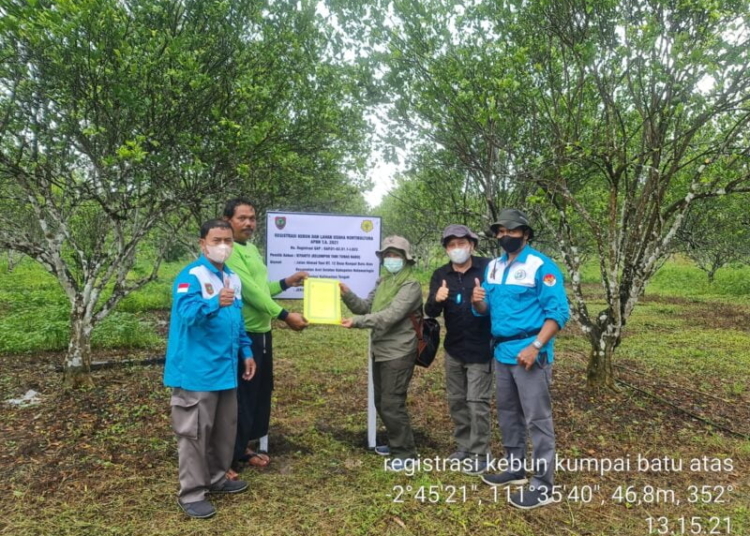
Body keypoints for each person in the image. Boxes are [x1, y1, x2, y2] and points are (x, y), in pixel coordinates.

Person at [471, 209, 569, 510]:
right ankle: (515, 468)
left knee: (537, 418)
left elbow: (559, 313)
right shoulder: (494, 267)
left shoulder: (542, 266)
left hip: (530, 354)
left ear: (525, 233)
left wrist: (536, 346)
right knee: (509, 414)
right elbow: (489, 309)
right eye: (500, 231)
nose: (505, 236)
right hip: (502, 352)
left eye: (511, 231)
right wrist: (479, 302)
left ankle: (543, 484)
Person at [164, 219, 256, 519]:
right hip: (195, 371)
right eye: (217, 240)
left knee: (222, 430)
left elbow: (237, 322)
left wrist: (246, 351)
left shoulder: (232, 278)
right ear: (202, 243)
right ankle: (191, 494)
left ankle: (217, 479)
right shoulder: (190, 276)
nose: (223, 247)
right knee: (194, 434)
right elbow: (187, 314)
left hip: (225, 369)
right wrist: (214, 302)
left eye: (228, 241)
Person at [223, 198, 309, 473]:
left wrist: (287, 281)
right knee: (241, 394)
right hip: (243, 332)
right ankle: (227, 456)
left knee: (259, 392)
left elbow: (263, 287)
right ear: (228, 221)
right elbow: (250, 292)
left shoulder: (251, 248)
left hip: (262, 331)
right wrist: (285, 315)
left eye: (252, 218)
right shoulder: (230, 252)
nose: (249, 223)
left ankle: (242, 447)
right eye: (242, 218)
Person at [339, 236, 423, 471]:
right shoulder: (383, 281)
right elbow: (366, 307)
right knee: (381, 401)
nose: (391, 259)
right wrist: (346, 294)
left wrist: (356, 322)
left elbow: (391, 315)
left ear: (406, 259)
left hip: (399, 350)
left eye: (396, 255)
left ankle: (406, 453)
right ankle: (398, 443)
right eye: (388, 254)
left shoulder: (411, 285)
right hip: (380, 348)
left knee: (392, 402)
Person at [424, 224, 493, 475]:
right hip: (453, 347)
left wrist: (482, 300)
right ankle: (464, 446)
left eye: (461, 244)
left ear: (472, 245)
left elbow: (499, 303)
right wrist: (436, 299)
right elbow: (429, 313)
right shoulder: (441, 275)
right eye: (451, 245)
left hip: (481, 346)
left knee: (477, 402)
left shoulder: (488, 268)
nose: (457, 249)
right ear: (446, 249)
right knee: (457, 401)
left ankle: (480, 453)